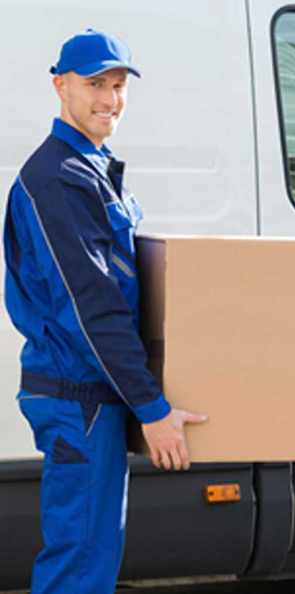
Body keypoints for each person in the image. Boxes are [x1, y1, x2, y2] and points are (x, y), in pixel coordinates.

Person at [3, 29, 207, 594]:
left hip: (92, 397)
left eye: (118, 86)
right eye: (96, 84)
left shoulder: (91, 169)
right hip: (80, 399)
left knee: (91, 556)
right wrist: (152, 407)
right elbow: (93, 309)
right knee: (80, 566)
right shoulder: (58, 180)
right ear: (60, 85)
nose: (110, 99)